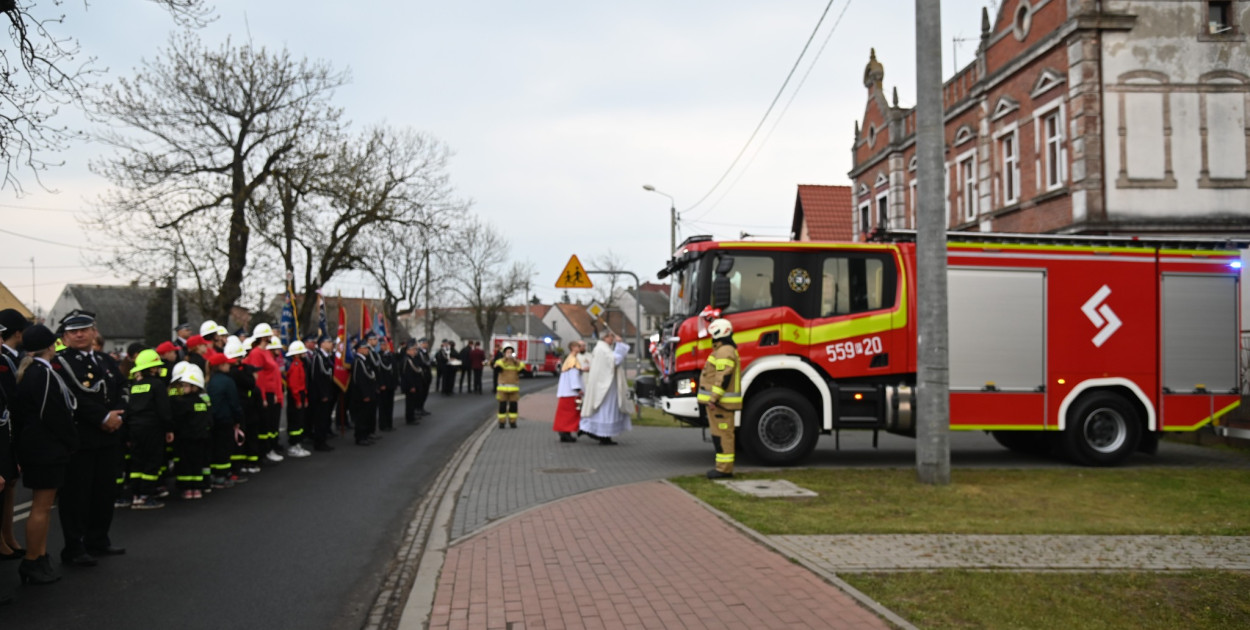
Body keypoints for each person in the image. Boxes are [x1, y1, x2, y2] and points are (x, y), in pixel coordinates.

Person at [55, 309, 126, 567]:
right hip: (82, 439)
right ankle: (74, 547)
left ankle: (98, 539)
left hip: (108, 439)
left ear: (94, 332)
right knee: (77, 496)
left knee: (104, 492)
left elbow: (121, 387)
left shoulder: (106, 360)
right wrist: (103, 418)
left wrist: (118, 414)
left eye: (85, 329)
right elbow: (73, 396)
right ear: (64, 337)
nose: (80, 334)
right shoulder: (60, 362)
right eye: (74, 331)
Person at [12, 324, 77, 585]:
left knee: (44, 506)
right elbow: (53, 415)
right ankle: (31, 559)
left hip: (38, 448)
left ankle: (39, 555)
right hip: (46, 449)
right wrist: (71, 440)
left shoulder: (33, 371)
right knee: (41, 507)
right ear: (50, 346)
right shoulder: (43, 374)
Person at [125, 350, 172, 510]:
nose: (158, 369)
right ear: (151, 368)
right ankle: (147, 495)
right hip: (153, 428)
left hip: (134, 427)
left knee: (137, 462)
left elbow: (130, 408)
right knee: (152, 461)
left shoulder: (135, 385)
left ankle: (136, 495)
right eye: (156, 366)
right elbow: (164, 410)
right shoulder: (158, 385)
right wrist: (169, 429)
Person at [0, 309, 30, 562]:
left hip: (10, 429)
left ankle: (8, 535)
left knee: (10, 484)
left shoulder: (14, 357)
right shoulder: (8, 359)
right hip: (5, 426)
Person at [699, 319, 742, 479]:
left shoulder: (724, 351)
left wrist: (713, 398)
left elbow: (723, 376)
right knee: (720, 436)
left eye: (713, 333)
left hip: (721, 405)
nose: (711, 337)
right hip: (720, 404)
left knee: (723, 436)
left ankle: (724, 470)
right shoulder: (723, 350)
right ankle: (722, 468)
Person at [579, 332, 632, 445]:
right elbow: (614, 361)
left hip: (608, 384)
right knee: (605, 409)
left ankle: (604, 435)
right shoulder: (602, 349)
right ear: (605, 337)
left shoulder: (604, 348)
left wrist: (618, 345)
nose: (612, 339)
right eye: (611, 337)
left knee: (608, 409)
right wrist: (620, 345)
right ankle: (602, 435)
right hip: (605, 386)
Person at [169, 363, 212, 500]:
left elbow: (178, 419)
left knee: (186, 463)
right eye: (182, 385)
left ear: (195, 387)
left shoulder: (183, 402)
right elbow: (210, 418)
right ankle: (198, 487)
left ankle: (188, 487)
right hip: (200, 437)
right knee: (197, 463)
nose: (183, 388)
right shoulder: (203, 401)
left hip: (186, 438)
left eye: (186, 386)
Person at [243, 324, 284, 464]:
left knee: (269, 424)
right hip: (264, 394)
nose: (272, 337)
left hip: (271, 392)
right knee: (263, 424)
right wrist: (263, 397)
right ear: (264, 337)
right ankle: (263, 452)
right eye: (269, 335)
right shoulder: (256, 353)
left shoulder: (265, 351)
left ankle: (268, 449)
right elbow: (258, 376)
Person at [205, 350, 244, 487]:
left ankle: (215, 474)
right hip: (225, 419)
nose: (229, 366)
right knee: (224, 449)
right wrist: (238, 419)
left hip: (212, 419)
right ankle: (222, 476)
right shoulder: (227, 381)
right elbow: (234, 403)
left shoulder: (210, 381)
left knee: (215, 448)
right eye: (227, 364)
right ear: (221, 366)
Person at [307, 336, 337, 452]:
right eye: (329, 342)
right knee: (320, 420)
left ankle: (323, 440)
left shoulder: (326, 357)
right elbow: (316, 378)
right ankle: (319, 443)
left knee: (325, 419)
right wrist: (322, 394)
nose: (331, 344)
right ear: (322, 344)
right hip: (320, 396)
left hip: (328, 393)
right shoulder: (318, 357)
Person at [553, 341, 588, 442]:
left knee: (564, 414)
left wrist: (582, 370)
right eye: (578, 346)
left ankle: (563, 432)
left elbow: (573, 372)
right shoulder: (573, 360)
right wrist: (578, 389)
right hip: (570, 393)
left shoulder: (569, 359)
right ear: (573, 347)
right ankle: (566, 432)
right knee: (570, 414)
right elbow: (573, 375)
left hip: (565, 392)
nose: (581, 348)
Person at [284, 340, 312, 457]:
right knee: (295, 422)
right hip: (296, 396)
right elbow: (294, 385)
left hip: (300, 395)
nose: (304, 354)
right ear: (296, 354)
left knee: (300, 421)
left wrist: (304, 398)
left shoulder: (299, 364)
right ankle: (293, 445)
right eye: (302, 353)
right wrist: (298, 400)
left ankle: (297, 444)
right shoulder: (295, 366)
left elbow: (302, 384)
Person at [348, 340, 378, 445]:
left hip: (369, 393)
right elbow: (359, 380)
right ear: (359, 350)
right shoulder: (358, 361)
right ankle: (360, 437)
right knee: (361, 417)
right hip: (361, 396)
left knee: (367, 416)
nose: (367, 350)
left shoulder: (365, 360)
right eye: (365, 348)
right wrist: (365, 394)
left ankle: (365, 435)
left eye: (367, 348)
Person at [492, 345, 525, 429]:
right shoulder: (500, 362)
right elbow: (496, 367)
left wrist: (515, 360)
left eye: (511, 352)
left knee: (513, 407)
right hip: (502, 389)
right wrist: (505, 359)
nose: (509, 354)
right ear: (504, 353)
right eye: (507, 352)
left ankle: (512, 422)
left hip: (514, 389)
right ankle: (502, 422)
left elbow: (522, 369)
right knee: (502, 407)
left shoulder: (516, 363)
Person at [399, 341, 424, 425]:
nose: (415, 351)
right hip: (410, 385)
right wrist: (412, 386)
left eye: (415, 350)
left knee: (413, 402)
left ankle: (412, 416)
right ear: (408, 351)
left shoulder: (412, 359)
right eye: (413, 350)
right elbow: (407, 375)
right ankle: (409, 418)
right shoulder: (407, 360)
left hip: (415, 384)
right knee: (409, 403)